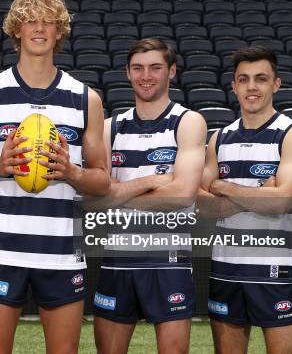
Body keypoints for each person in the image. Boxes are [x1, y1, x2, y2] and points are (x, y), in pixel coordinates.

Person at [0, 0, 109, 354]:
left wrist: (72, 172)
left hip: (62, 253)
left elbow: (102, 180)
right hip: (0, 251)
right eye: (30, 20)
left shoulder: (86, 98)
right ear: (17, 30)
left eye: (48, 21)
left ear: (59, 32)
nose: (39, 28)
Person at [92, 38, 207, 354]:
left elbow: (183, 194)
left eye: (156, 67)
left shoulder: (188, 122)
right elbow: (94, 201)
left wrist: (118, 194)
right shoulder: (109, 128)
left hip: (169, 263)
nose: (146, 76)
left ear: (171, 71)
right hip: (117, 260)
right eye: (138, 68)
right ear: (127, 73)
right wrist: (152, 180)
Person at [199, 46, 292, 354]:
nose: (252, 87)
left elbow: (281, 203)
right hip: (225, 267)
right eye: (243, 79)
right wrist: (262, 191)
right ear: (233, 86)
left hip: (273, 269)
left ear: (276, 84)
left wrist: (226, 187)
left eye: (261, 79)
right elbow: (204, 206)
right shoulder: (218, 138)